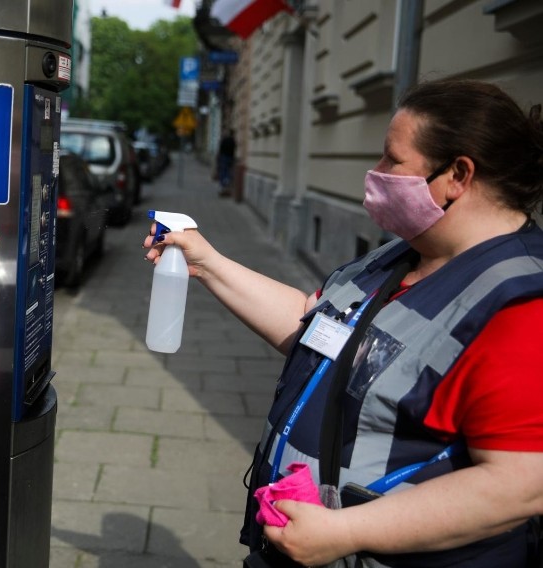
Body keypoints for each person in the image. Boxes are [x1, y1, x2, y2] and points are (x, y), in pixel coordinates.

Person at [143, 79, 543, 567]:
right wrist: (207, 262)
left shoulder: (519, 304)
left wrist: (345, 531)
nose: (375, 174)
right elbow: (312, 329)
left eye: (392, 160)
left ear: (457, 175)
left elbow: (520, 485)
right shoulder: (402, 253)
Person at [217, 129, 236, 196]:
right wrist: (233, 158)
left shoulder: (224, 140)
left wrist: (219, 157)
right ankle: (227, 181)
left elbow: (220, 149)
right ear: (233, 134)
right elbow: (234, 150)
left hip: (224, 157)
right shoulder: (233, 141)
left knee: (223, 171)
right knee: (228, 171)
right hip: (230, 158)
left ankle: (223, 184)